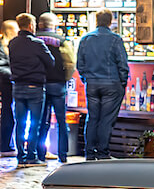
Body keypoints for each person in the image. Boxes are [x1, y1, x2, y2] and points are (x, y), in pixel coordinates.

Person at [77, 10, 129, 160]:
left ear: (96, 20)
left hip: (92, 84)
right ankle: (102, 153)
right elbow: (122, 63)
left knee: (92, 118)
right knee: (106, 119)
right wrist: (122, 82)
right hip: (112, 84)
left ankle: (89, 153)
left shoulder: (86, 39)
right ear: (110, 21)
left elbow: (80, 64)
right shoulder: (115, 39)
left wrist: (86, 79)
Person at [8, 12, 55, 167]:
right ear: (30, 26)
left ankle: (20, 155)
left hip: (18, 87)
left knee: (20, 123)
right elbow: (51, 62)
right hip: (35, 87)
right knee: (35, 123)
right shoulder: (37, 44)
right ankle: (31, 156)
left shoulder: (12, 43)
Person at [36, 12, 76, 164]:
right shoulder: (62, 41)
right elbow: (70, 63)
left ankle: (40, 154)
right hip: (58, 85)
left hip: (40, 84)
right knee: (61, 121)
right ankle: (63, 154)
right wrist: (64, 78)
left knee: (41, 121)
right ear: (54, 25)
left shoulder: (33, 39)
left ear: (40, 24)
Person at [0, 19, 17, 157]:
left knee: (11, 113)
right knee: (8, 113)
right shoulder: (2, 46)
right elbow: (1, 67)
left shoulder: (14, 45)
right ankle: (5, 144)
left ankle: (9, 143)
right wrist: (15, 75)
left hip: (13, 83)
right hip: (6, 84)